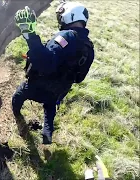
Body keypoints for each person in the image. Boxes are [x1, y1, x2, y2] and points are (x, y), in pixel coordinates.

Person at [12, 2, 95, 144]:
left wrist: (30, 35)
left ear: (70, 16)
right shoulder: (89, 47)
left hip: (39, 85)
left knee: (19, 94)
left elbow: (45, 62)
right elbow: (80, 78)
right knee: (50, 106)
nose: (60, 20)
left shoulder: (66, 36)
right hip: (60, 90)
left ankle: (16, 114)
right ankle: (47, 132)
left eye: (61, 16)